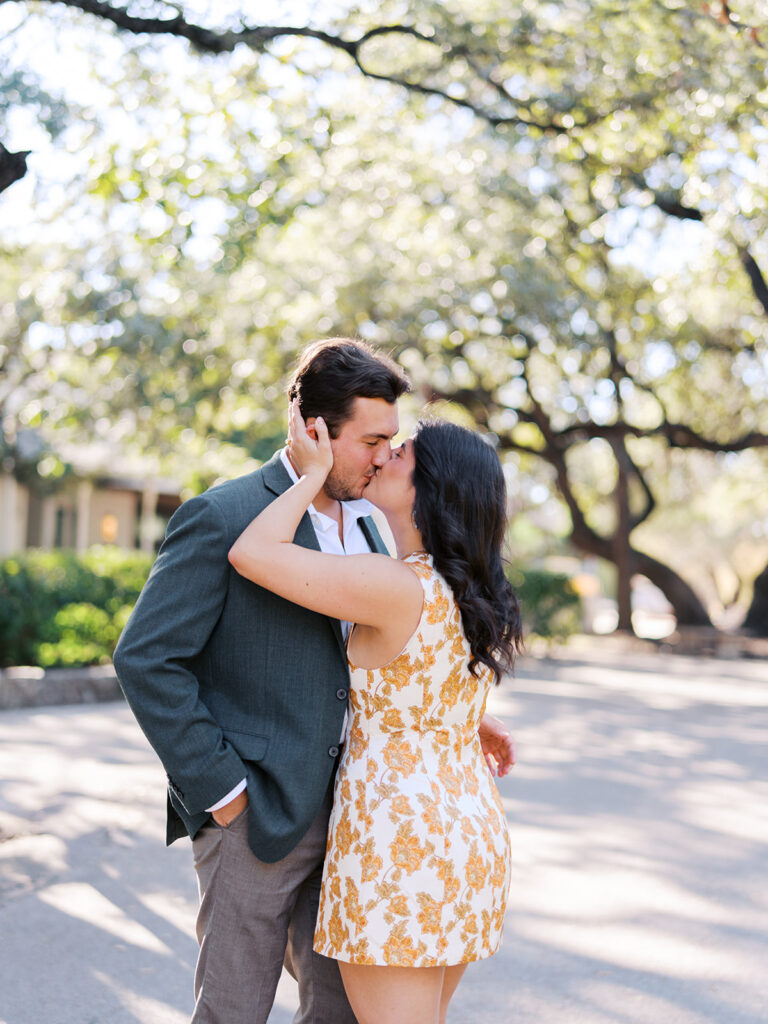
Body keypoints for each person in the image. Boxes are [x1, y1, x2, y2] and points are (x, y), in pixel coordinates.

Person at [112, 336, 515, 1024]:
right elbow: (145, 658)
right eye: (373, 440)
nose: (386, 455)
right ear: (313, 430)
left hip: (364, 826)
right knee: (233, 1011)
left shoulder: (373, 530)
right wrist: (222, 791)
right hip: (257, 815)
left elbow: (386, 658)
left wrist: (459, 716)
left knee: (338, 1014)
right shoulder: (225, 514)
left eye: (395, 442)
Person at [227, 404, 523, 1024]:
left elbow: (252, 551)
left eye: (403, 451)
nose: (385, 454)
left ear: (431, 488)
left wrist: (309, 475)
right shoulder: (466, 590)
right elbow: (424, 690)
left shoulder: (394, 585)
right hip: (466, 833)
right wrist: (472, 722)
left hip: (398, 844)